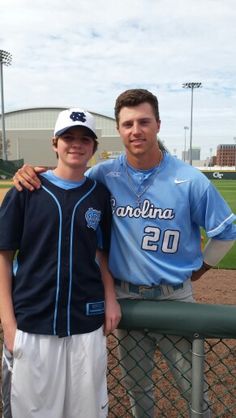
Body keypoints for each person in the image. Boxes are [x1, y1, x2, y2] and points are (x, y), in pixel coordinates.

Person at [13, 89, 236, 417]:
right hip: (125, 298)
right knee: (137, 388)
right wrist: (33, 172)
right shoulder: (104, 174)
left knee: (193, 389)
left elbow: (226, 233)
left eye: (144, 122)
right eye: (128, 123)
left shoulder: (189, 179)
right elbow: (69, 178)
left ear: (158, 125)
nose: (136, 130)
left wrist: (199, 270)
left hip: (174, 298)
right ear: (119, 130)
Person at [0, 107, 121, 418]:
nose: (76, 144)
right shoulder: (25, 190)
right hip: (33, 323)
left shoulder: (99, 195)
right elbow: (3, 256)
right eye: (68, 137)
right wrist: (9, 325)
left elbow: (102, 253)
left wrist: (110, 299)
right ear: (54, 143)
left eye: (84, 138)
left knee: (86, 412)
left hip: (86, 323)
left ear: (94, 148)